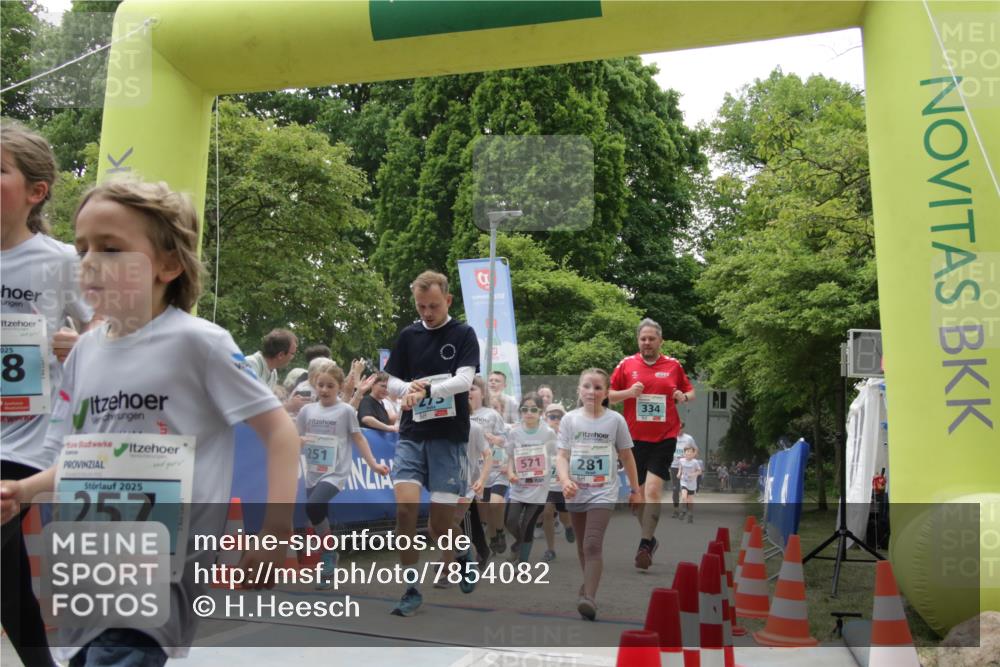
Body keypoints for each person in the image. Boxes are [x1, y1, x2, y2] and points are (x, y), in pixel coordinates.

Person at [0, 179, 301, 665]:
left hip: (160, 565)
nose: (91, 261)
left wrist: (277, 527)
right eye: (82, 249)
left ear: (168, 264)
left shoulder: (198, 343)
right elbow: (90, 458)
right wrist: (27, 489)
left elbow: (280, 432)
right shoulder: (84, 356)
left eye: (111, 248)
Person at [1, 119, 93, 667]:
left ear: (36, 192)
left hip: (26, 445)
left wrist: (77, 344)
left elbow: (118, 339)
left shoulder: (59, 262)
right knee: (11, 590)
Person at [383, 270, 480, 616]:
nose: (427, 312)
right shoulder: (409, 336)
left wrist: (426, 390)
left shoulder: (464, 334)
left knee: (440, 527)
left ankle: (463, 551)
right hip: (412, 434)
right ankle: (410, 588)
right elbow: (390, 379)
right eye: (421, 306)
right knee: (405, 511)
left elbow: (465, 379)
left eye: (434, 306)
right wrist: (403, 391)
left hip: (448, 436)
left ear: (448, 301)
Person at [609, 317, 694, 571]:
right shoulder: (626, 365)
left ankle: (644, 545)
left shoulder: (673, 365)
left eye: (651, 338)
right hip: (633, 439)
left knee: (653, 491)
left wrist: (682, 396)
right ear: (638, 341)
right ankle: (651, 538)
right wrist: (629, 393)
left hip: (664, 437)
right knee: (637, 500)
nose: (647, 342)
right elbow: (610, 396)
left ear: (660, 341)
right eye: (643, 338)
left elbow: (690, 392)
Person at [556, 368, 641, 621]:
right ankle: (587, 586)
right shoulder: (569, 420)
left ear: (606, 393)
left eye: (597, 388)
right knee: (583, 547)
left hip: (603, 491)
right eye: (587, 386)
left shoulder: (615, 420)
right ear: (579, 390)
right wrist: (564, 480)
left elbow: (626, 456)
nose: (592, 392)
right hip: (576, 491)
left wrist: (636, 490)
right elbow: (562, 456)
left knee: (592, 544)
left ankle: (590, 598)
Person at [297, 361, 389, 590]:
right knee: (318, 515)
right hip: (313, 471)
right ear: (314, 386)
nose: (325, 390)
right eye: (321, 385)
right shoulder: (306, 411)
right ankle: (328, 563)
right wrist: (299, 442)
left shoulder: (346, 411)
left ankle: (328, 552)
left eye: (330, 385)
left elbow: (359, 438)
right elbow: (296, 438)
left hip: (336, 473)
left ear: (339, 387)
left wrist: (374, 464)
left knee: (312, 506)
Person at [503, 393, 556, 564]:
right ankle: (519, 543)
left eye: (533, 409)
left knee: (527, 525)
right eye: (525, 409)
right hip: (519, 486)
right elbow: (510, 456)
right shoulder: (515, 432)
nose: (529, 413)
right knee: (510, 521)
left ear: (540, 412)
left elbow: (555, 458)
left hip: (538, 488)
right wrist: (511, 472)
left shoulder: (548, 432)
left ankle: (522, 561)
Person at [446, 420, 491, 588]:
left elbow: (488, 454)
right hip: (443, 482)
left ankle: (451, 566)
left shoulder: (475, 427)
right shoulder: (436, 423)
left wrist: (481, 480)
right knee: (439, 526)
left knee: (453, 524)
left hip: (467, 484)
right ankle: (471, 553)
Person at [468, 375, 509, 555]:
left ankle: (499, 532)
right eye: (465, 390)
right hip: (476, 472)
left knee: (495, 504)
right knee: (483, 512)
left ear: (482, 394)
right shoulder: (461, 416)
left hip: (496, 469)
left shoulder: (491, 414)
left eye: (472, 389)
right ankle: (492, 538)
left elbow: (506, 439)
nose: (468, 393)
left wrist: (496, 439)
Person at [541, 402, 574, 562]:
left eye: (559, 417)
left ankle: (568, 527)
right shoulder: (540, 436)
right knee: (547, 512)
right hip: (547, 485)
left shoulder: (569, 437)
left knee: (564, 516)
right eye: (552, 417)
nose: (555, 420)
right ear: (545, 418)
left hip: (564, 485)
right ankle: (550, 549)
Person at [671, 423, 697, 516]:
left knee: (685, 488)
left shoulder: (688, 438)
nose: (679, 430)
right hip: (674, 465)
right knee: (675, 488)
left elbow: (696, 450)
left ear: (683, 428)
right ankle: (675, 509)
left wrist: (690, 459)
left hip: (686, 467)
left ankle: (685, 508)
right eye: (677, 428)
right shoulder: (671, 437)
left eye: (680, 428)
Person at [678, 445, 702, 523]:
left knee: (690, 500)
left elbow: (699, 471)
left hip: (692, 483)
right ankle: (684, 510)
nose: (689, 454)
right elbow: (680, 467)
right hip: (684, 481)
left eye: (691, 452)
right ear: (684, 453)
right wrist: (679, 473)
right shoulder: (681, 460)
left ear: (693, 454)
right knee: (684, 496)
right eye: (687, 452)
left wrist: (694, 474)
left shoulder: (695, 462)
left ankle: (690, 514)